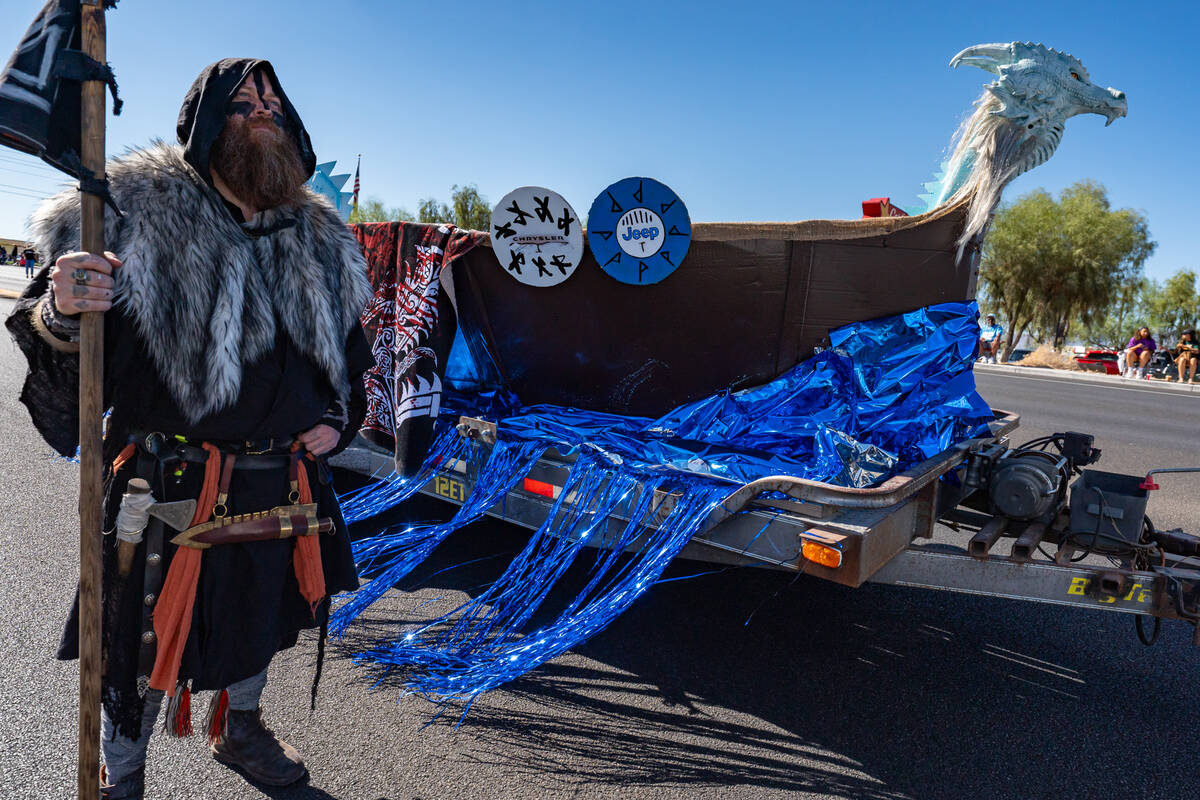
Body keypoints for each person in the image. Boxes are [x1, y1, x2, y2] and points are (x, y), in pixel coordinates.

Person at [5, 59, 372, 798]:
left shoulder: (321, 239)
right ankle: (124, 767)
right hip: (167, 483)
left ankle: (240, 729)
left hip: (281, 482)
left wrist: (338, 420)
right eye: (241, 103)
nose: (261, 110)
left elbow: (350, 366)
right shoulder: (129, 215)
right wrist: (63, 308)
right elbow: (54, 333)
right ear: (207, 129)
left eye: (273, 100)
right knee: (136, 641)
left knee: (261, 621)